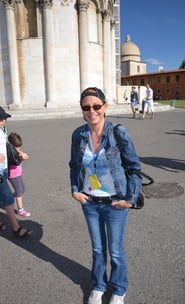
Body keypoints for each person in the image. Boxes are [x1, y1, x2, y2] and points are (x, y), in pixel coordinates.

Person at [69, 87, 142, 304]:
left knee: (116, 252)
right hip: (90, 202)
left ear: (105, 107)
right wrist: (74, 189)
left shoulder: (118, 132)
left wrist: (130, 198)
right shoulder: (78, 134)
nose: (91, 111)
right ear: (82, 110)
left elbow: (134, 168)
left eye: (96, 106)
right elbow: (74, 166)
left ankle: (119, 289)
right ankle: (99, 286)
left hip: (115, 202)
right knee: (98, 249)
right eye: (86, 107)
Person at [0, 107, 33, 237]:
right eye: (1, 119)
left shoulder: (3, 130)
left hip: (3, 169)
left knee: (6, 197)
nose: (4, 121)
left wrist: (19, 152)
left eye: (4, 118)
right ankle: (16, 228)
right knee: (8, 197)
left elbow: (8, 145)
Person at [8, 132, 30, 217]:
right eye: (17, 147)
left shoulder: (15, 150)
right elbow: (16, 163)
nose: (19, 148)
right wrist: (22, 159)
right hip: (13, 175)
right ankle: (20, 210)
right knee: (19, 192)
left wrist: (21, 153)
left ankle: (7, 198)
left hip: (18, 173)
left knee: (22, 190)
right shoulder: (11, 153)